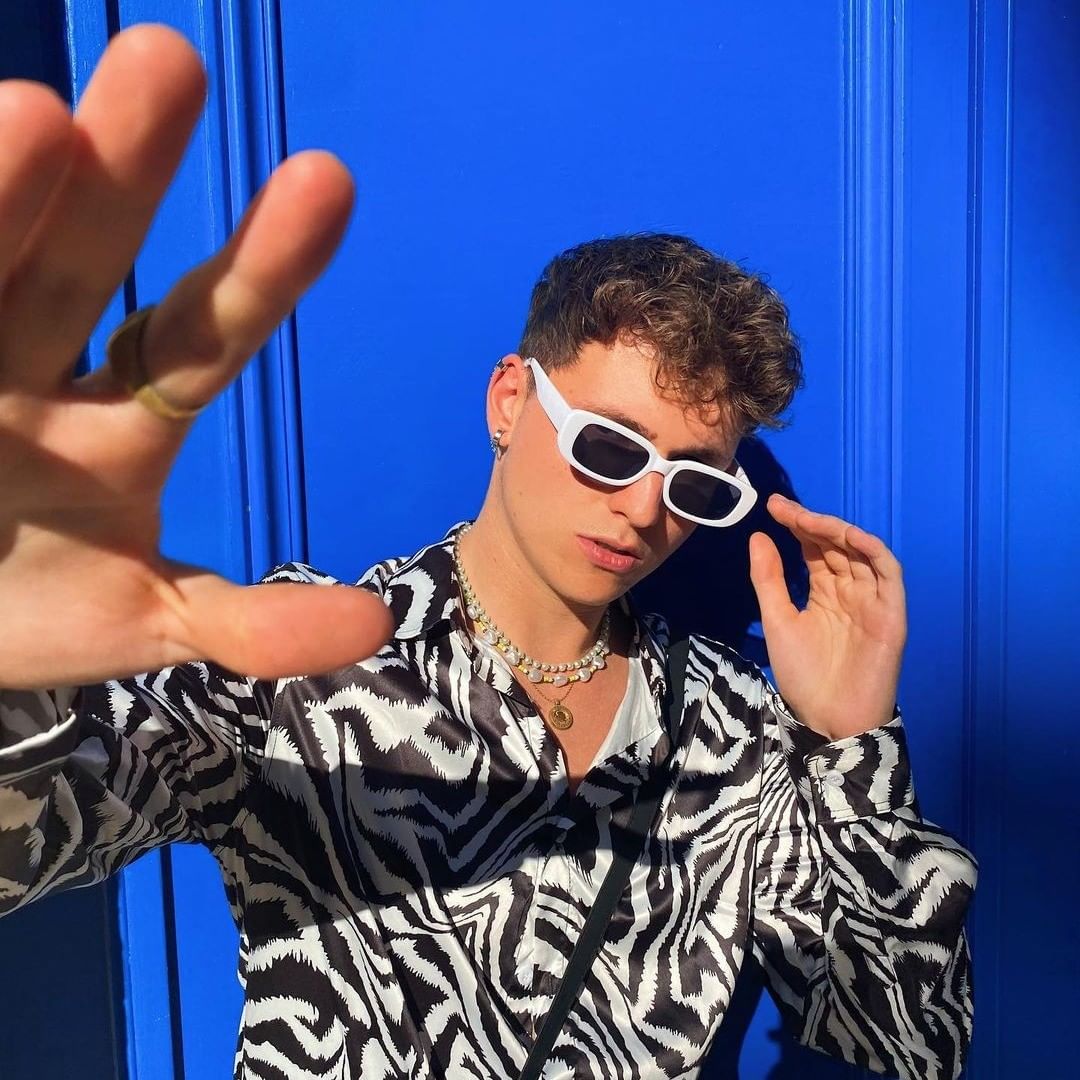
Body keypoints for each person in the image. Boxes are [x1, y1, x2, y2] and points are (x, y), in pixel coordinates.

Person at [0, 24, 975, 1080]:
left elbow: (907, 1039)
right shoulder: (304, 661)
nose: (642, 509)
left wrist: (853, 744)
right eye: (609, 447)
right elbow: (24, 849)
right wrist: (18, 669)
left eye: (694, 484)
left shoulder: (734, 731)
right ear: (511, 400)